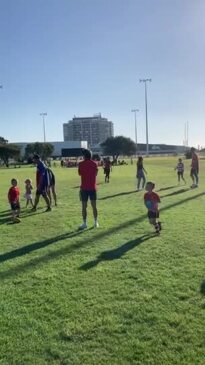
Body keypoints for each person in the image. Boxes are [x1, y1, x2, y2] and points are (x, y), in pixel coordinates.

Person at [78, 149, 99, 229]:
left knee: (84, 207)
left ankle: (84, 223)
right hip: (92, 187)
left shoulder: (80, 164)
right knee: (94, 206)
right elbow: (96, 173)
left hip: (84, 188)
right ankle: (96, 222)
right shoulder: (95, 164)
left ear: (85, 156)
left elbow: (80, 173)